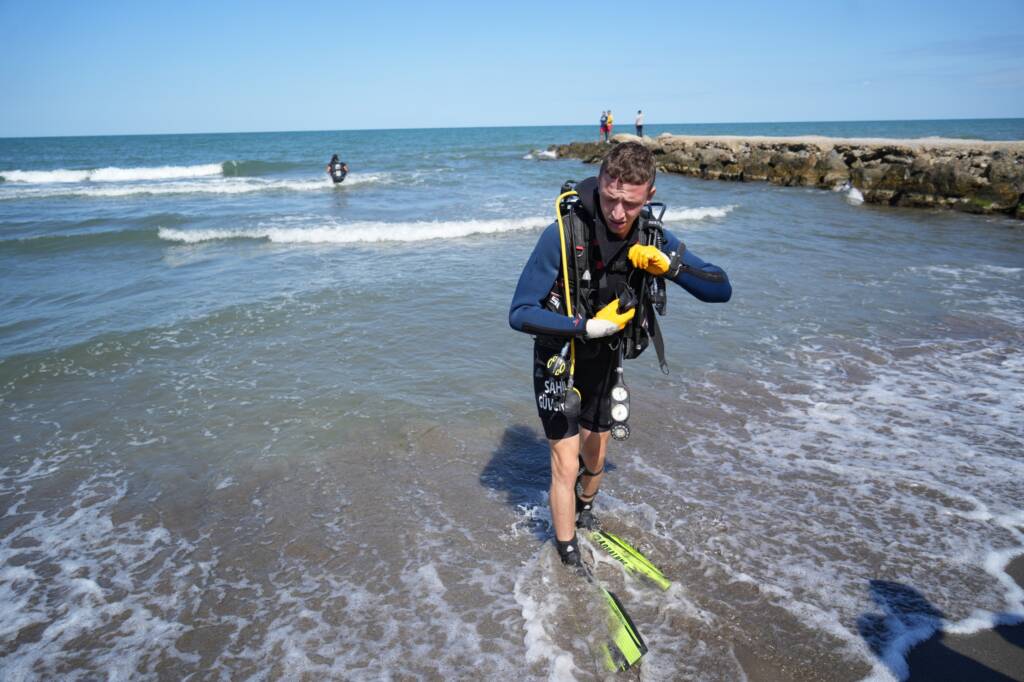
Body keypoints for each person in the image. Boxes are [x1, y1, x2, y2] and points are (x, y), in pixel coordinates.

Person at [508, 142, 731, 569]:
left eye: (629, 203)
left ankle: (585, 508)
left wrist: (670, 267)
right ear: (601, 185)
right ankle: (568, 551)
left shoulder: (652, 235)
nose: (617, 213)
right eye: (610, 199)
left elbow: (721, 289)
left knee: (595, 456)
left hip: (607, 359)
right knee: (564, 461)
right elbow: (519, 312)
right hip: (559, 356)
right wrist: (584, 327)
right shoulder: (563, 232)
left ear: (648, 195)